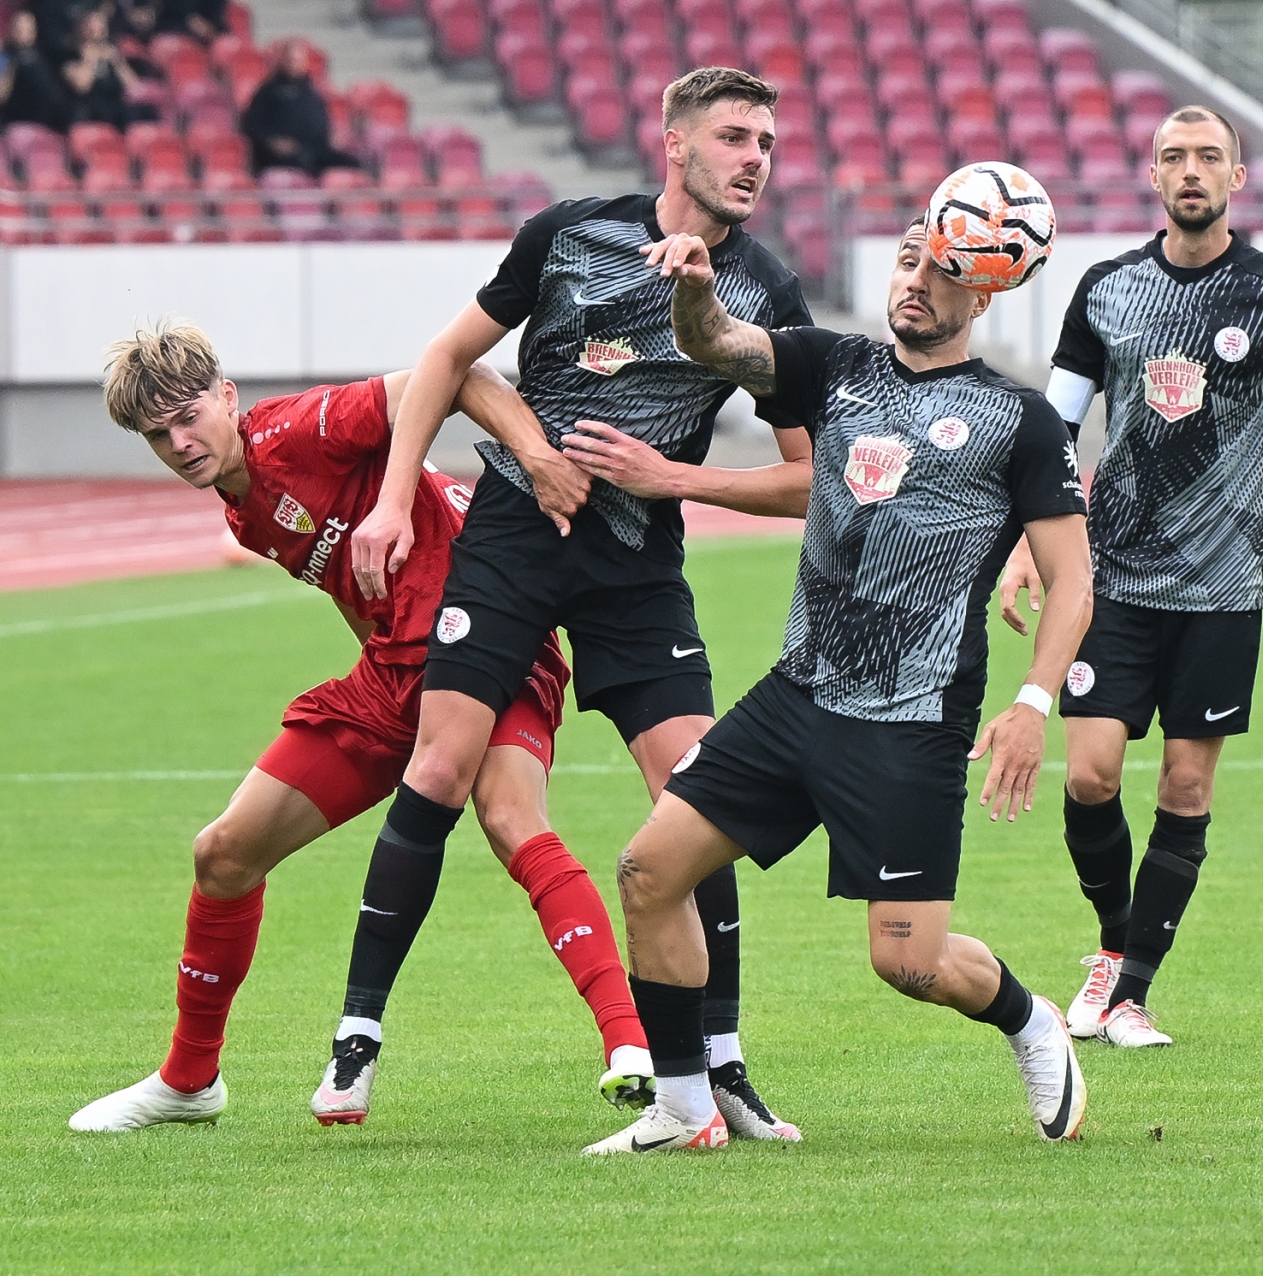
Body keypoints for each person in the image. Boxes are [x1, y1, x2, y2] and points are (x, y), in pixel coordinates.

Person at [346, 66, 814, 1143]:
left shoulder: (766, 293)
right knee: (440, 766)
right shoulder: (567, 235)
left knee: (699, 793)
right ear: (674, 142)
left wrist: (674, 477)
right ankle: (356, 1038)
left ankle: (721, 1068)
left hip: (637, 563)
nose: (755, 158)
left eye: (767, 142)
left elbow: (807, 478)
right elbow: (448, 358)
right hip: (515, 536)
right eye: (735, 137)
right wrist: (393, 501)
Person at [590, 217, 1095, 1155]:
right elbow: (716, 343)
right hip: (796, 695)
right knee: (648, 872)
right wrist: (696, 289)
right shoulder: (832, 365)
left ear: (983, 290)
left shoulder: (1018, 419)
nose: (916, 281)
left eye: (942, 271)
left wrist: (1034, 703)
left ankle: (1031, 1020)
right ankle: (685, 1109)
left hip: (909, 720)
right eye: (907, 261)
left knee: (908, 962)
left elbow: (1074, 579)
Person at [69, 322, 652, 1132]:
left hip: (492, 643)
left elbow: (459, 372)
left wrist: (536, 457)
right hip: (395, 674)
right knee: (223, 854)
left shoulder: (300, 428)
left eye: (188, 417)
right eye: (157, 434)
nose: (180, 443)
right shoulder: (243, 512)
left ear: (227, 397)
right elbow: (360, 589)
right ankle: (189, 1080)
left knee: (512, 819)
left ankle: (631, 1045)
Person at [1000, 106, 1263, 1049]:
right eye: (1175, 157)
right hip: (1110, 580)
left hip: (1223, 591)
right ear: (1153, 176)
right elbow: (1054, 431)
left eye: (1209, 156)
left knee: (1186, 791)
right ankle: (1114, 948)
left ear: (1237, 177)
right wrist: (1027, 542)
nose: (1191, 170)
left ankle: (1132, 992)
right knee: (1092, 777)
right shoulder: (1106, 290)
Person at [240, 41, 358, 177]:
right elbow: (252, 125)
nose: (294, 64)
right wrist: (272, 142)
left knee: (352, 163)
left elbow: (322, 122)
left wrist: (330, 137)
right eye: (290, 60)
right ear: (282, 61)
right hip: (283, 154)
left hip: (315, 149)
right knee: (301, 162)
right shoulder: (267, 91)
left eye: (298, 61)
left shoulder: (312, 91)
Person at [63, 9, 152, 129]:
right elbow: (82, 87)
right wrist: (90, 60)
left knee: (144, 112)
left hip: (116, 108)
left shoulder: (112, 54)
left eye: (101, 26)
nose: (97, 31)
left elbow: (134, 86)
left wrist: (118, 62)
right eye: (92, 27)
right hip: (90, 112)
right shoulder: (71, 56)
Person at [2, 11, 70, 131]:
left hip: (45, 122)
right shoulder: (4, 57)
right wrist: (13, 67)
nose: (22, 33)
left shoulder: (42, 58)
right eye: (18, 29)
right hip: (14, 123)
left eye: (27, 29)